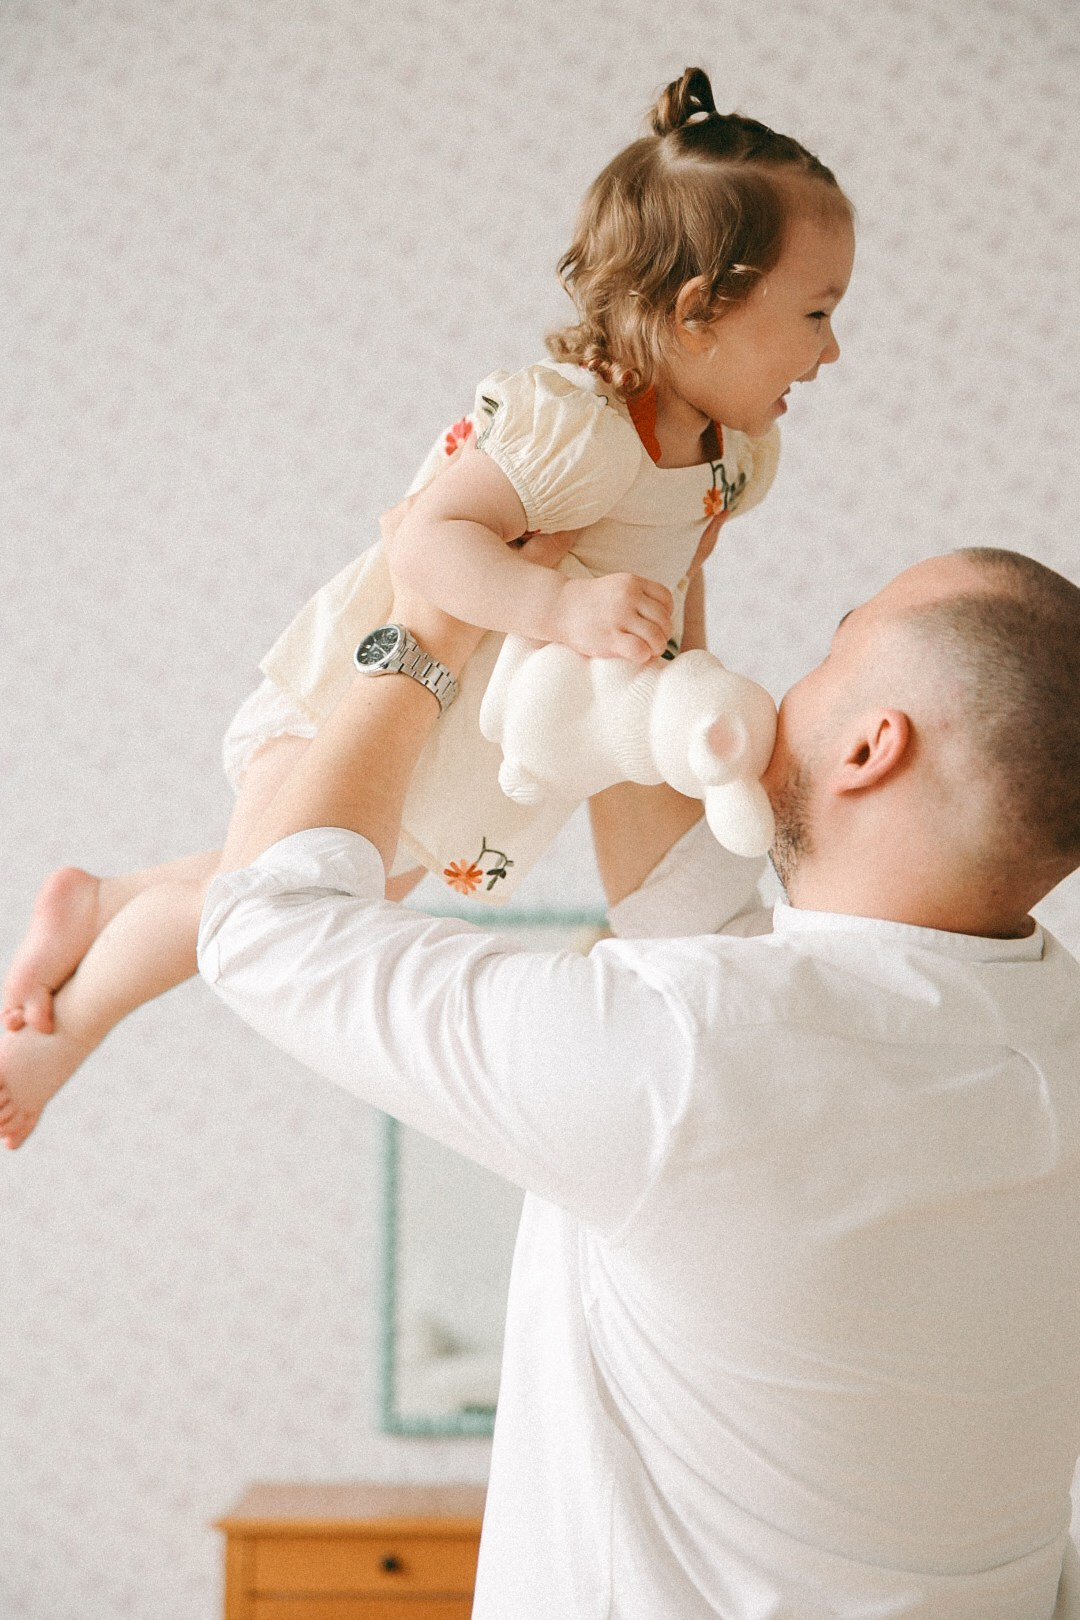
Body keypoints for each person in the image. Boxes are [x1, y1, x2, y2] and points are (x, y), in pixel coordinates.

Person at [194, 543, 1080, 1618]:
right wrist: (652, 571)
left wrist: (426, 636)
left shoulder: (694, 1052)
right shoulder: (1043, 1032)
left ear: (869, 747)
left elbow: (264, 926)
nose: (783, 690)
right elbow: (699, 917)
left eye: (829, 651)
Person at [0, 64, 856, 1147]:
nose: (833, 350)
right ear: (698, 315)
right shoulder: (576, 428)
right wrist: (561, 611)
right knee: (251, 906)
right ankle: (73, 1025)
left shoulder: (733, 454)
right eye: (817, 313)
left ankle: (97, 900)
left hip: (479, 735)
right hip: (388, 691)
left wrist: (680, 697)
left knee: (270, 881)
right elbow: (428, 543)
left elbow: (679, 581)